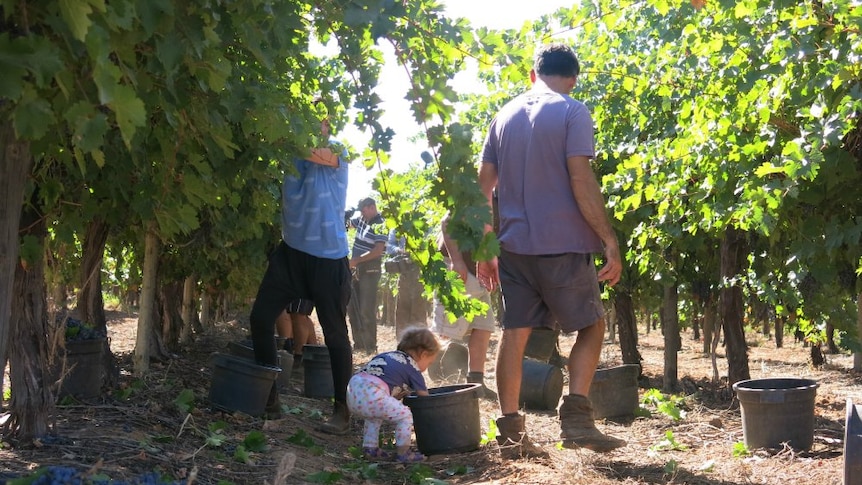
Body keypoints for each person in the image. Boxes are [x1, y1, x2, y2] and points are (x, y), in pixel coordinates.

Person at [476, 43, 625, 459]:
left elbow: (481, 188)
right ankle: (576, 422)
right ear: (573, 78)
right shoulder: (572, 110)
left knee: (515, 334)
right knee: (592, 326)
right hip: (564, 245)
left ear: (532, 74)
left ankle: (510, 434)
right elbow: (581, 178)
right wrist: (608, 238)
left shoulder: (502, 117)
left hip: (514, 248)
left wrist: (486, 246)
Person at [249, 113, 354, 434]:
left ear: (328, 127)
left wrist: (277, 132)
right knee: (260, 318)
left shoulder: (336, 151)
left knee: (335, 334)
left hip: (329, 258)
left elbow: (306, 149)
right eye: (305, 116)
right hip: (291, 255)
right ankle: (269, 399)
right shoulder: (290, 156)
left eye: (320, 121)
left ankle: (342, 410)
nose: (312, 124)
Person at [346, 327, 440, 463]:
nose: (427, 367)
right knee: (405, 415)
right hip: (372, 392)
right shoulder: (412, 368)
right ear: (424, 354)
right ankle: (404, 453)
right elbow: (424, 399)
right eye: (430, 362)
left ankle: (370, 449)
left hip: (353, 390)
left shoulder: (389, 356)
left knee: (374, 415)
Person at [432, 212, 497, 400]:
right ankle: (430, 378)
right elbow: (447, 222)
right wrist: (456, 261)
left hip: (479, 271)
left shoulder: (511, 197)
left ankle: (476, 382)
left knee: (483, 327)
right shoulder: (482, 189)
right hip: (457, 267)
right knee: (445, 330)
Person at [347, 197, 387, 353]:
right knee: (353, 308)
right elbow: (348, 225)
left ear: (372, 207)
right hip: (356, 269)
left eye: (364, 211)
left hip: (370, 270)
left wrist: (356, 260)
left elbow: (378, 251)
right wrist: (344, 217)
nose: (362, 215)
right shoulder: (362, 219)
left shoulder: (381, 224)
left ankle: (371, 346)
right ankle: (359, 344)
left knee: (366, 309)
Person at [386, 228, 428, 337]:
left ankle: (420, 341)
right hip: (404, 271)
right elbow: (389, 246)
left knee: (419, 308)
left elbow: (431, 242)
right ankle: (402, 341)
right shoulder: (397, 225)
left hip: (421, 270)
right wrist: (400, 250)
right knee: (402, 308)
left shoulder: (425, 223)